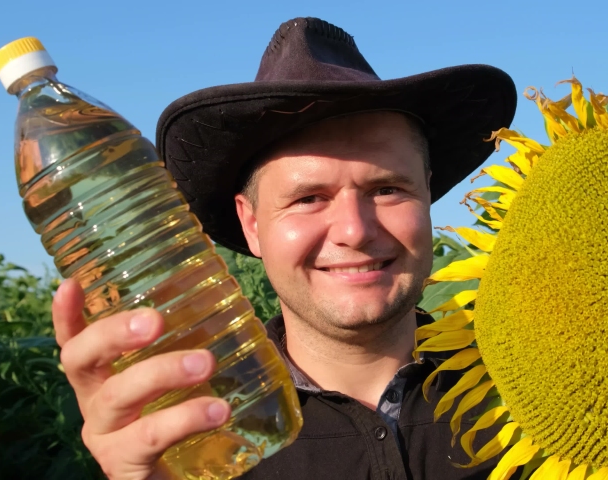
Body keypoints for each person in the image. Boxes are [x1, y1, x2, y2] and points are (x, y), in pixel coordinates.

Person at [52, 17, 517, 480]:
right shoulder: (206, 438)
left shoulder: (527, 386)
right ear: (251, 224)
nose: (354, 231)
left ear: (426, 195)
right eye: (308, 198)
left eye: (388, 189)